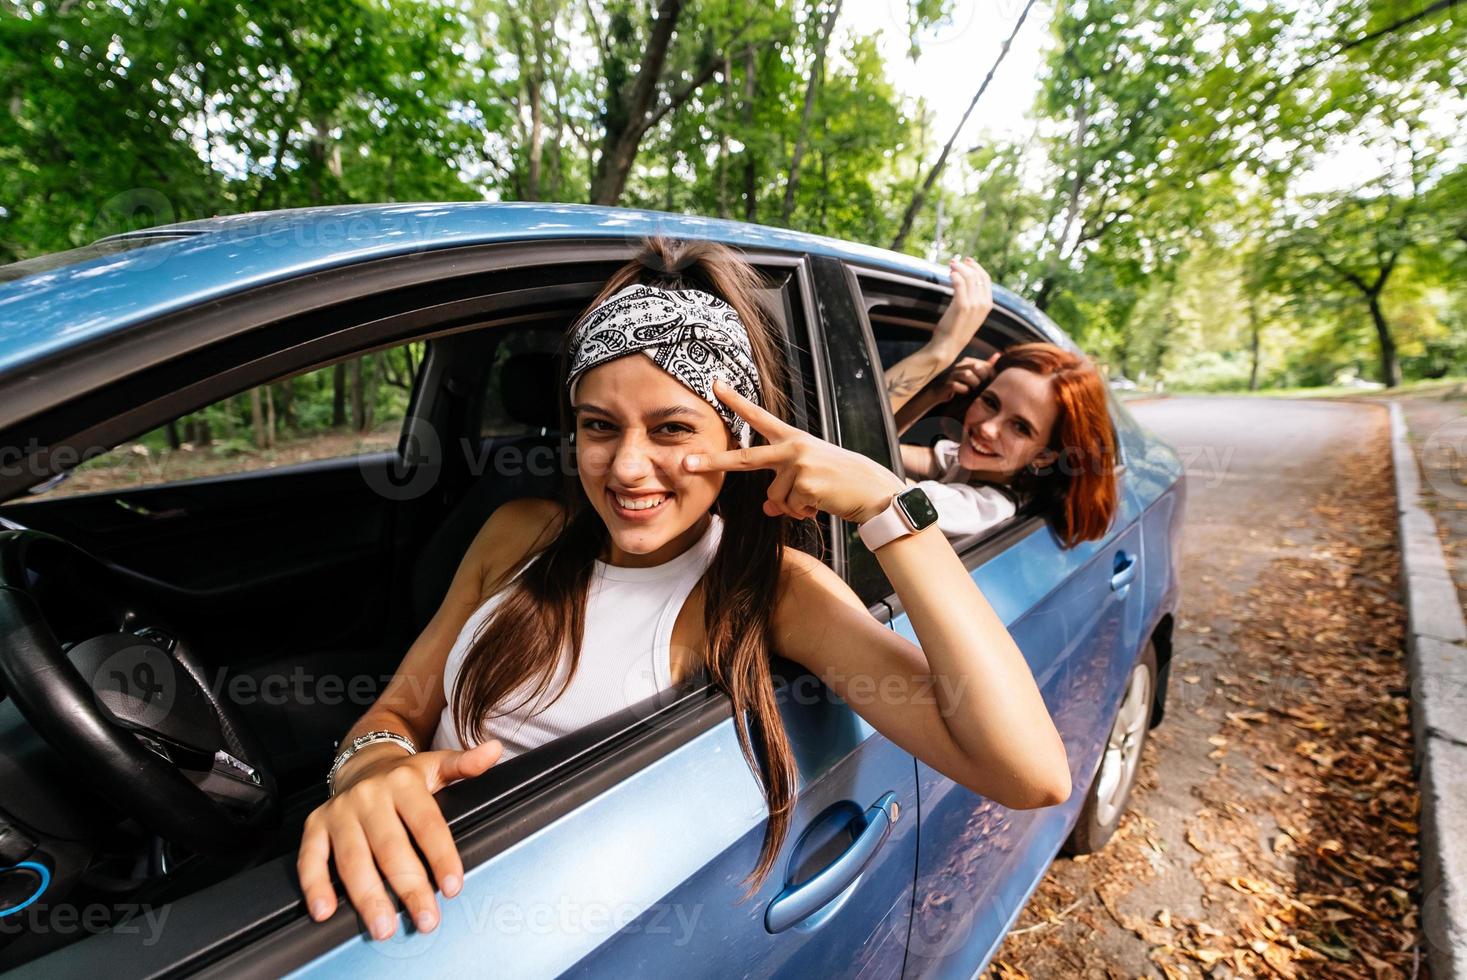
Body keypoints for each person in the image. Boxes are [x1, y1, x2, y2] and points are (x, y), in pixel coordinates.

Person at [295, 238, 1071, 942]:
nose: (628, 467)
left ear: (735, 438)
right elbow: (396, 711)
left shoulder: (769, 591)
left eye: (670, 430)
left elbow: (1026, 771)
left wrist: (884, 505)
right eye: (600, 426)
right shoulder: (517, 531)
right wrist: (369, 772)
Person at [894, 341, 1121, 548]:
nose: (987, 428)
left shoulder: (985, 509)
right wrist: (937, 391)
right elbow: (887, 449)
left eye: (1020, 427)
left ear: (1044, 456)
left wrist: (943, 344)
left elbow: (875, 482)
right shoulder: (977, 465)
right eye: (990, 402)